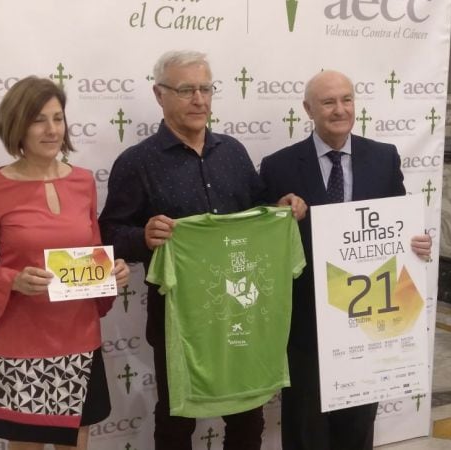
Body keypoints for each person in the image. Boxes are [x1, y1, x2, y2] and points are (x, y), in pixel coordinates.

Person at [98, 50, 306, 450]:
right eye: (186, 90)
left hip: (241, 308)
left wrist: (281, 211)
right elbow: (108, 234)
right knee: (177, 417)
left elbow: (257, 212)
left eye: (206, 88)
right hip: (177, 317)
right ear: (159, 95)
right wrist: (143, 236)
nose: (199, 100)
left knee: (248, 414)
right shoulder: (136, 162)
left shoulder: (233, 152)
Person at [259, 70, 432, 450]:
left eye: (347, 99)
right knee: (306, 425)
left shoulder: (383, 157)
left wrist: (418, 243)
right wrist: (277, 211)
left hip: (369, 316)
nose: (340, 110)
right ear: (308, 109)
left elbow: (398, 225)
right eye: (328, 102)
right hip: (306, 320)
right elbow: (260, 238)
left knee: (358, 424)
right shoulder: (278, 166)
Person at [0, 76, 130, 450]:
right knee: (26, 444)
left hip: (79, 337)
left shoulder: (84, 181)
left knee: (76, 441)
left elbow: (93, 250)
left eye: (58, 118)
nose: (52, 129)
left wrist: (112, 271)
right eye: (39, 119)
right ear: (17, 125)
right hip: (20, 342)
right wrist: (11, 280)